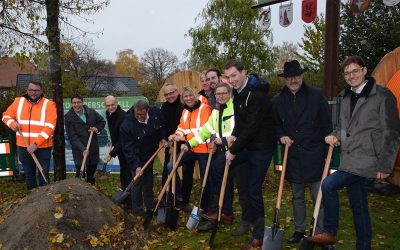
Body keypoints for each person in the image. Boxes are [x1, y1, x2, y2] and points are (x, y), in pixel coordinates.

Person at [308, 56, 400, 249]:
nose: (351, 76)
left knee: (329, 185)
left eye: (355, 71)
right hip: (349, 158)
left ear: (364, 70)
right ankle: (363, 245)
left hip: (369, 158)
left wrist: (385, 164)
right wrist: (335, 135)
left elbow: (392, 132)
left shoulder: (383, 96)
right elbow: (342, 127)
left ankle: (330, 231)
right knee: (359, 207)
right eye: (347, 73)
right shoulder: (344, 96)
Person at [273, 60, 332, 244]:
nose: (293, 80)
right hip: (292, 155)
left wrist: (324, 150)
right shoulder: (278, 100)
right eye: (289, 77)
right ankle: (299, 229)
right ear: (285, 79)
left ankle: (319, 230)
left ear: (302, 76)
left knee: (318, 196)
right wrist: (281, 135)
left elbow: (326, 124)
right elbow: (274, 124)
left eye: (296, 76)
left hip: (314, 154)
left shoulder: (316, 95)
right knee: (297, 196)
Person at [224, 59, 276, 249]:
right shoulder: (238, 93)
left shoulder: (257, 96)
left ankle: (259, 235)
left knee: (254, 189)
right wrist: (234, 135)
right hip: (248, 145)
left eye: (234, 76)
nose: (232, 80)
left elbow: (252, 127)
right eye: (228, 77)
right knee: (241, 180)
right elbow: (241, 122)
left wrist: (233, 150)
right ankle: (246, 219)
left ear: (244, 72)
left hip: (262, 147)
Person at [181, 82, 235, 231]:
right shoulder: (216, 111)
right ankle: (223, 212)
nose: (221, 96)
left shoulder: (234, 108)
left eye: (224, 93)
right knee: (219, 177)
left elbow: (238, 130)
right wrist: (189, 144)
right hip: (221, 151)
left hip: (235, 150)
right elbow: (205, 131)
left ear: (229, 94)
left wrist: (223, 140)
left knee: (223, 178)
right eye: (218, 94)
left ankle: (226, 212)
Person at [2, 81, 56, 190]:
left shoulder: (49, 104)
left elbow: (50, 127)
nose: (33, 93)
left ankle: (45, 197)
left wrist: (36, 144)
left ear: (41, 91)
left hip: (43, 147)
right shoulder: (18, 102)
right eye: (31, 90)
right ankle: (32, 199)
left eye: (36, 90)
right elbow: (5, 116)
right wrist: (13, 124)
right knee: (29, 174)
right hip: (23, 146)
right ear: (27, 90)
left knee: (43, 172)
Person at [168, 86, 212, 213]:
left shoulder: (205, 108)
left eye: (190, 95)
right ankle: (180, 198)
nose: (188, 98)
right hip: (190, 149)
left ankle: (205, 208)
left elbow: (203, 131)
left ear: (195, 96)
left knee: (205, 179)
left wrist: (184, 137)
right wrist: (175, 135)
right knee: (171, 166)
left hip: (204, 149)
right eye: (185, 96)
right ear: (183, 99)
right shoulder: (185, 111)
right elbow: (182, 127)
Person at [120, 100, 165, 219]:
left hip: (150, 154)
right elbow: (128, 148)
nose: (139, 117)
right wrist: (136, 165)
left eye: (142, 114)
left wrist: (163, 138)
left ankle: (150, 208)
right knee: (137, 181)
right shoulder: (127, 125)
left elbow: (161, 128)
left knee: (148, 181)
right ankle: (138, 210)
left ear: (147, 111)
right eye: (137, 114)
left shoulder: (155, 113)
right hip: (136, 154)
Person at [65, 94, 105, 184]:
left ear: (82, 103)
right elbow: (72, 136)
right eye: (74, 103)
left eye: (78, 102)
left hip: (93, 145)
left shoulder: (91, 112)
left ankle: (91, 192)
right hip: (79, 149)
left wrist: (97, 128)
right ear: (71, 104)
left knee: (91, 173)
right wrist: (83, 149)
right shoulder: (68, 117)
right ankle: (79, 192)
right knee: (80, 172)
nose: (76, 105)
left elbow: (102, 121)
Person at [103, 96, 129, 206]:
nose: (110, 107)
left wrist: (111, 153)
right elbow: (116, 132)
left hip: (128, 149)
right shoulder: (109, 114)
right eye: (108, 105)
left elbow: (123, 140)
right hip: (120, 147)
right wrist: (112, 140)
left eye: (112, 105)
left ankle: (130, 202)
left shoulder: (122, 116)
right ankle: (125, 197)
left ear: (117, 103)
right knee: (124, 173)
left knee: (128, 175)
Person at [160, 83, 184, 188]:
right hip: (170, 144)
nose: (169, 96)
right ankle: (167, 195)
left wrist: (176, 138)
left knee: (186, 170)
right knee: (167, 168)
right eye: (166, 94)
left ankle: (181, 197)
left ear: (177, 91)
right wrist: (164, 139)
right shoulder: (164, 107)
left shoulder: (184, 104)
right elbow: (163, 125)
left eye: (171, 93)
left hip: (184, 142)